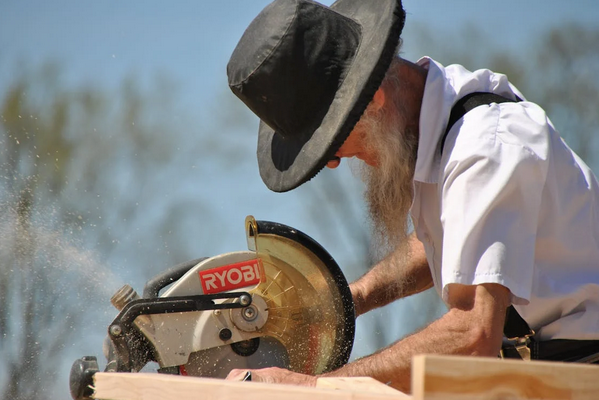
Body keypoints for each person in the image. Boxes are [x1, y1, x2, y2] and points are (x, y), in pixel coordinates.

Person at [224, 0, 599, 393]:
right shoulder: (444, 122)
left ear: (373, 100)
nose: (333, 162)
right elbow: (457, 240)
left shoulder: (486, 147)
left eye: (332, 142)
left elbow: (474, 335)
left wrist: (314, 386)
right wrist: (348, 301)